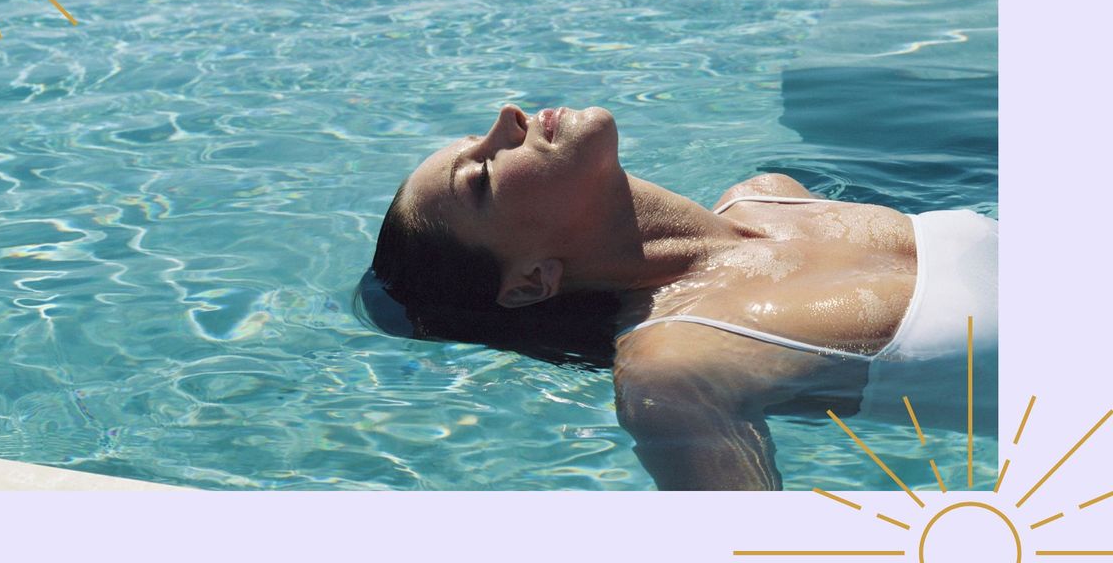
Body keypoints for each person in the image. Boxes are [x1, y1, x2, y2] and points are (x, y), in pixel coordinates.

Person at [358, 104, 998, 490]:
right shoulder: (675, 365)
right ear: (530, 282)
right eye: (481, 176)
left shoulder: (773, 193)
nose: (507, 119)